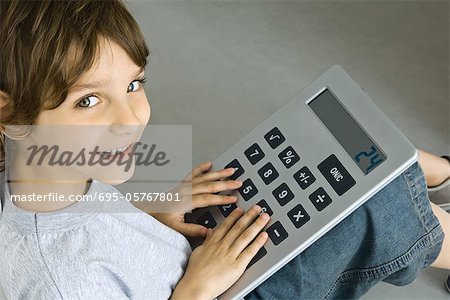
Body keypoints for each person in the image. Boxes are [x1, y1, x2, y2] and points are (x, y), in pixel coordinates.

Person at [0, 1, 448, 299]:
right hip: (206, 289)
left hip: (192, 262)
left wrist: (154, 213)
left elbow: (87, 233)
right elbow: (75, 261)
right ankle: (427, 174)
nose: (133, 118)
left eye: (134, 84)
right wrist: (196, 288)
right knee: (374, 202)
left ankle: (423, 169)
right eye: (89, 101)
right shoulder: (60, 281)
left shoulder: (46, 179)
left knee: (333, 157)